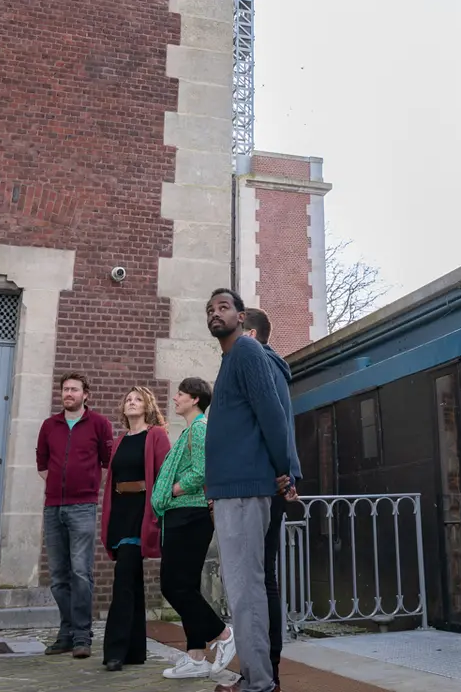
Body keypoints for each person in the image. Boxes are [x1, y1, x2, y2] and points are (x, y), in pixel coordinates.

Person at [203, 288, 300, 692]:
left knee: (246, 590)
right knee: (244, 589)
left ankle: (259, 682)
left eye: (224, 307)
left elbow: (272, 414)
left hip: (245, 489)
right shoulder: (231, 360)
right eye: (209, 309)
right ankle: (255, 677)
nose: (215, 313)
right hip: (230, 490)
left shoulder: (246, 352)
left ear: (242, 318)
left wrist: (285, 472)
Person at [154, 376, 230, 680]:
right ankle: (196, 656)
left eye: (180, 394)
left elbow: (200, 471)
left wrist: (173, 490)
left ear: (195, 399)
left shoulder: (199, 429)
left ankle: (224, 635)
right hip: (182, 514)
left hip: (188, 513)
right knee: (185, 585)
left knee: (173, 586)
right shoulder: (190, 430)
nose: (175, 398)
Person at [239, 307, 298, 685]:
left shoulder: (263, 363)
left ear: (251, 334)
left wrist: (284, 473)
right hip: (265, 480)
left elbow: (276, 422)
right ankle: (264, 668)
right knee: (261, 577)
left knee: (261, 578)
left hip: (264, 484)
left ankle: (267, 670)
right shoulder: (265, 362)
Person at [37, 373, 114, 659]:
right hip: (53, 506)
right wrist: (58, 486)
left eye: (74, 389)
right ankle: (67, 632)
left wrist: (88, 488)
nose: (68, 393)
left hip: (82, 506)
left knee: (81, 572)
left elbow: (107, 464)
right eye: (65, 389)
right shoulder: (49, 425)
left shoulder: (100, 425)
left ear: (86, 394)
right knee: (58, 576)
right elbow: (42, 464)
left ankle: (82, 636)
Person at [100, 387, 171, 671]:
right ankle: (135, 651)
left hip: (140, 514)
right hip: (119, 513)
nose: (131, 402)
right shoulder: (118, 442)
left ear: (147, 406)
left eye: (137, 399)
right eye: (128, 399)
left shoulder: (156, 435)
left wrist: (157, 515)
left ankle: (115, 651)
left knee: (123, 579)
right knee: (131, 581)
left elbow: (165, 474)